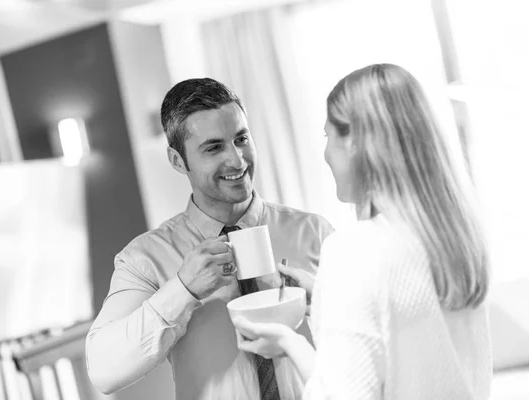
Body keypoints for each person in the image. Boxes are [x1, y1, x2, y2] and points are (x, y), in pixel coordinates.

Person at [234, 63, 492, 399]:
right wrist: (327, 297)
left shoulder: (355, 251)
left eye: (329, 136)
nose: (325, 153)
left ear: (355, 141)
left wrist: (289, 342)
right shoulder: (458, 238)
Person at [86, 77, 334, 400]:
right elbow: (103, 371)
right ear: (178, 160)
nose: (237, 159)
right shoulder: (144, 259)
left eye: (241, 138)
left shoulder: (316, 233)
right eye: (214, 147)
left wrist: (325, 303)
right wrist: (182, 290)